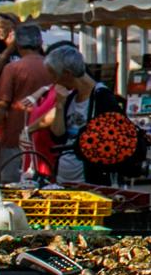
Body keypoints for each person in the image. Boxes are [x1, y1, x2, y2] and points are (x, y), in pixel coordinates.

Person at [28, 44, 130, 185]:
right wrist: (60, 105)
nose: (54, 81)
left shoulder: (102, 98)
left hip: (91, 180)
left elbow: (111, 142)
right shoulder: (70, 97)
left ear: (67, 73)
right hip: (64, 177)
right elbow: (58, 136)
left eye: (54, 75)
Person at [0, 25, 52, 182]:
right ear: (40, 43)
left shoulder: (12, 68)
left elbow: (1, 106)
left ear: (17, 44)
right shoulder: (53, 66)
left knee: (13, 187)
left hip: (16, 138)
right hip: (48, 136)